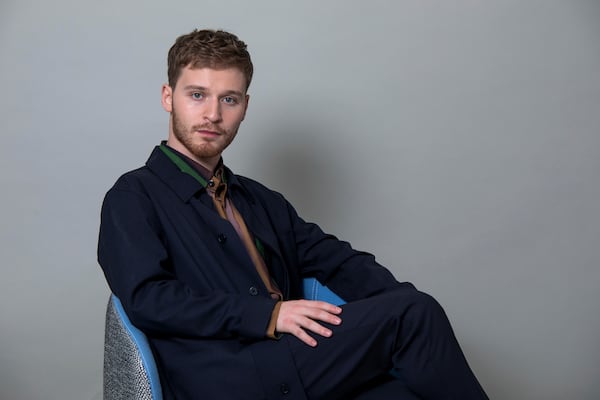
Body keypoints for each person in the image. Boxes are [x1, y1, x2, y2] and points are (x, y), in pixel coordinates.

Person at [98, 29, 489, 400]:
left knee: (406, 381)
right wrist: (270, 315)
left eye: (229, 99)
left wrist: (405, 305)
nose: (213, 114)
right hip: (224, 378)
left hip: (294, 360)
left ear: (245, 107)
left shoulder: (259, 200)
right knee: (413, 315)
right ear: (169, 97)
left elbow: (338, 262)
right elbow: (150, 299)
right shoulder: (133, 197)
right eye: (197, 95)